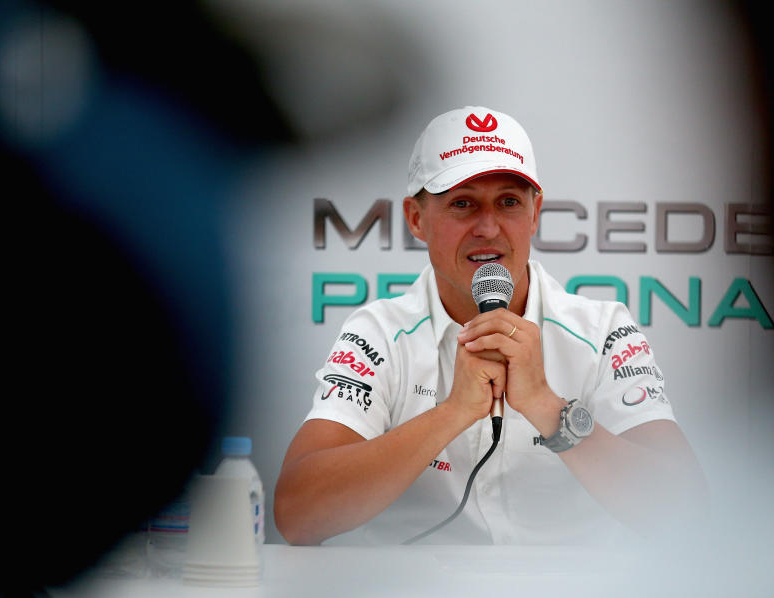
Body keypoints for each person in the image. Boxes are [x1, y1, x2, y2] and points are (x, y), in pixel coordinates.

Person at [275, 106, 706, 545]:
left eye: (509, 202)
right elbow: (297, 514)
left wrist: (546, 407)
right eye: (463, 203)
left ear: (534, 214)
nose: (488, 227)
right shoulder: (380, 332)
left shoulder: (602, 331)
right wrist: (453, 412)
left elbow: (686, 515)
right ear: (416, 218)